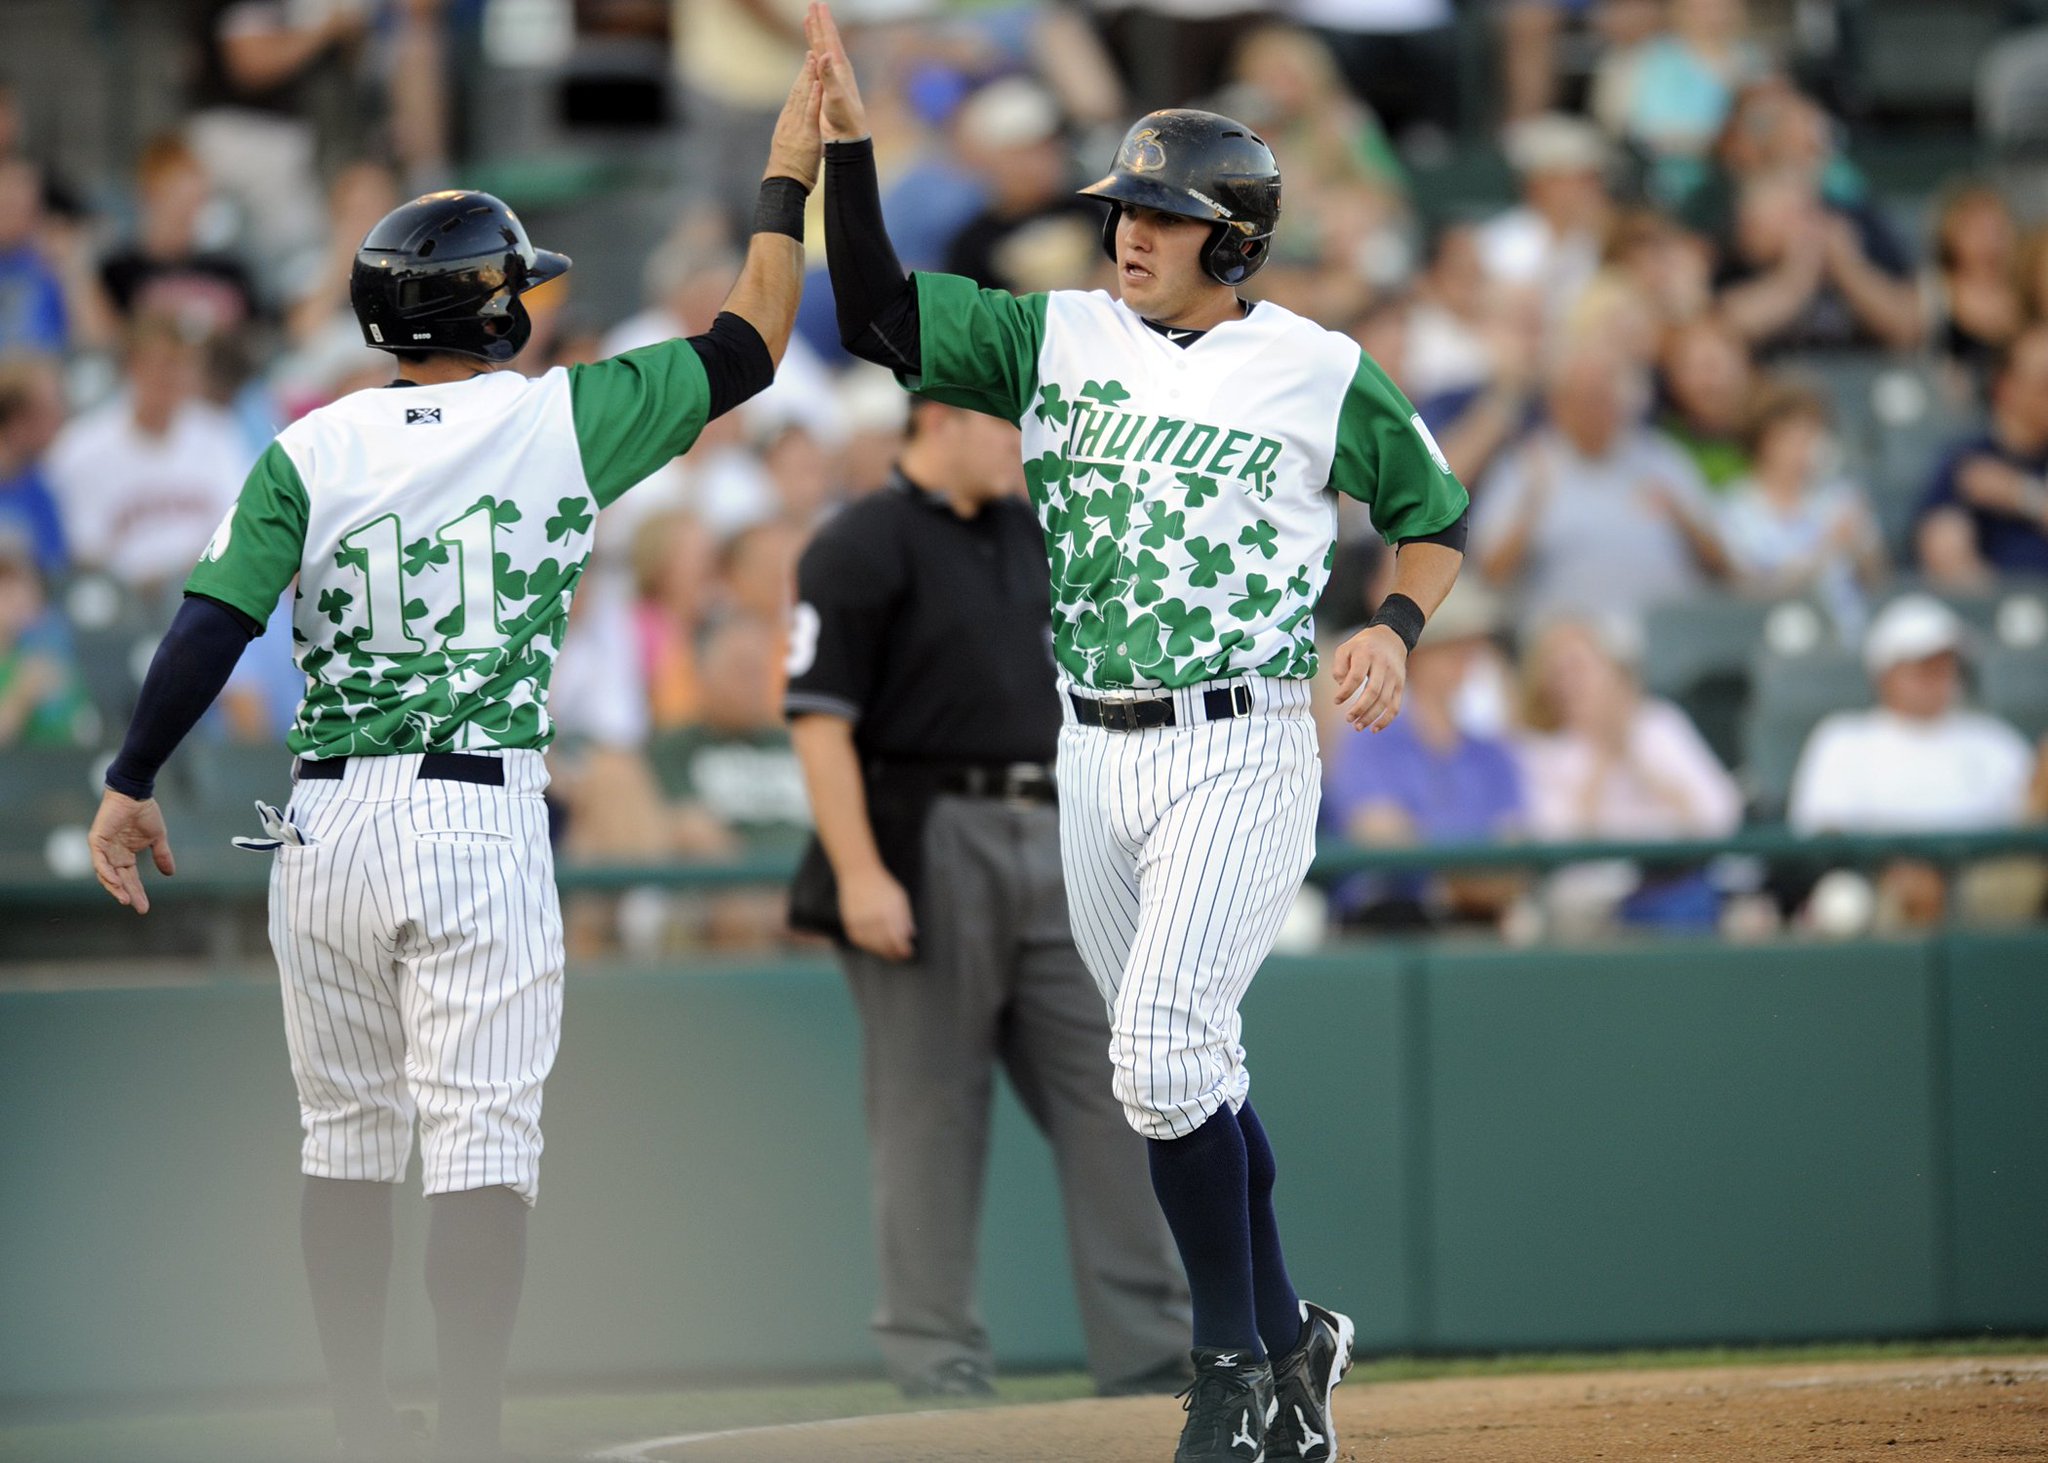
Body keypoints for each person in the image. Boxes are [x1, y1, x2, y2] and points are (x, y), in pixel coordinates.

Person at [82, 61, 822, 1463]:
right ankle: (472, 1428)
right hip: (475, 811)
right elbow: (757, 337)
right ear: (491, 307)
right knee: (480, 1137)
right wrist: (788, 169)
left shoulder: (313, 444)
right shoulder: (557, 417)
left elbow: (209, 621)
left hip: (324, 826)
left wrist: (130, 779)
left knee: (344, 1136)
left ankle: (361, 1421)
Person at [809, 7, 1469, 1457]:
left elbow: (1433, 514)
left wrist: (1394, 625)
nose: (1128, 232)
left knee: (1161, 1053)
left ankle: (1230, 1365)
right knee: (1189, 1064)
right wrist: (848, 157)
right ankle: (1294, 1334)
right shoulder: (1057, 335)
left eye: (1162, 217)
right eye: (1123, 208)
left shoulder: (1316, 365)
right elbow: (874, 317)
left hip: (1240, 736)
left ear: (1232, 239)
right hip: (1095, 746)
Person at [785, 394, 1194, 1400]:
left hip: (1057, 821)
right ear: (937, 420)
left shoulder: (1036, 527)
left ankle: (1150, 1349)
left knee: (1119, 1094)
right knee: (929, 1113)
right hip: (926, 833)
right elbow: (817, 720)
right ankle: (935, 1356)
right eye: (1002, 423)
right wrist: (858, 871)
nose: (1021, 441)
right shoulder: (857, 542)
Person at [1789, 594, 2036, 927]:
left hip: (1986, 883)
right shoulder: (1844, 739)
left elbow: (2028, 824)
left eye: (1946, 664)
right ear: (1885, 674)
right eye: (1923, 665)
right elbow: (1822, 836)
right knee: (1844, 898)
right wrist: (1898, 865)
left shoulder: (1992, 738)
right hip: (1883, 885)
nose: (1939, 676)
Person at [1474, 341, 1731, 628]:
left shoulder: (1664, 459)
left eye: (1609, 397)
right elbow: (1491, 574)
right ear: (1558, 404)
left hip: (1669, 639)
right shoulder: (1526, 467)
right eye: (1587, 398)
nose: (1599, 410)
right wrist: (1531, 510)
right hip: (1570, 648)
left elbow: (1727, 566)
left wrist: (1683, 520)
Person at [1321, 580, 1527, 929]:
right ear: (1416, 655)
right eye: (1451, 647)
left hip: (1477, 919)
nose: (1464, 661)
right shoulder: (1370, 736)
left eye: (1470, 648)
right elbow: (1376, 834)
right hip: (1389, 919)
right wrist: (1465, 874)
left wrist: (1462, 881)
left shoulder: (1491, 753)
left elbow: (1513, 852)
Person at [1515, 617, 1743, 931]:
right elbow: (1559, 841)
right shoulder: (1537, 750)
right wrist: (1602, 758)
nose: (1571, 683)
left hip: (1678, 888)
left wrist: (1633, 755)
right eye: (1558, 673)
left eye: (1580, 667)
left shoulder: (1658, 723)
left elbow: (1721, 812)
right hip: (1593, 907)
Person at [46, 313, 250, 602]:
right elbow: (82, 555)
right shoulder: (79, 447)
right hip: (122, 605)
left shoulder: (219, 433)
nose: (175, 376)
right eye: (164, 364)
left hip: (209, 594)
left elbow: (239, 528)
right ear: (131, 366)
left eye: (185, 364)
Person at [1719, 380, 1885, 628]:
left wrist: (1859, 547)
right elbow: (1748, 592)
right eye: (1791, 436)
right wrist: (1825, 549)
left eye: (1811, 434)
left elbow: (1877, 581)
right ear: (1764, 440)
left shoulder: (1842, 497)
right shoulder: (1734, 507)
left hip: (1848, 632)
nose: (1803, 447)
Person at [1916, 323, 2048, 586]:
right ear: (2006, 387)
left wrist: (2023, 496)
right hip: (1992, 616)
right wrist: (2015, 608)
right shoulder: (1966, 460)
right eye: (2044, 383)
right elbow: (1944, 552)